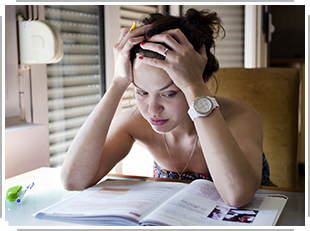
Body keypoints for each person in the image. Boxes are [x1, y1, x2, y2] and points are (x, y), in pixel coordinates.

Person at [60, 8, 275, 208]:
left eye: (169, 93)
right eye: (141, 92)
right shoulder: (135, 122)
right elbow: (73, 180)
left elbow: (237, 195)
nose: (152, 109)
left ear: (203, 79)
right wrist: (118, 82)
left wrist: (194, 87)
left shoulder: (240, 116)